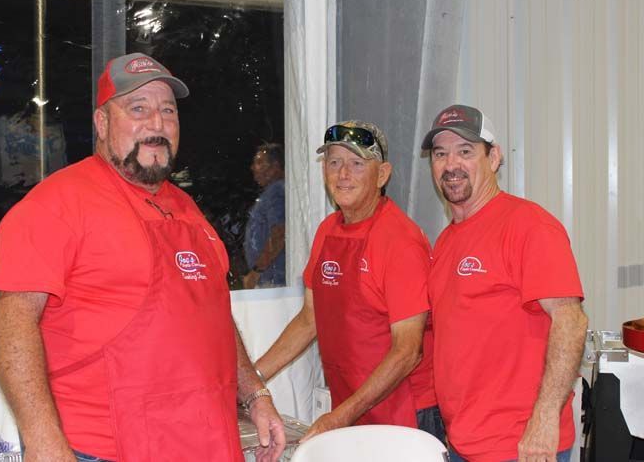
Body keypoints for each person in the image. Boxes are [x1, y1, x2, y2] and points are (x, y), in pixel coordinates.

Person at [0, 53, 285, 462]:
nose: (156, 124)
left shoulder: (187, 209)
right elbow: (9, 321)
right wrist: (42, 440)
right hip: (102, 448)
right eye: (137, 109)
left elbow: (211, 314)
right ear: (102, 123)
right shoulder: (56, 204)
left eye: (167, 111)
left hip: (202, 441)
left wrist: (254, 395)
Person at [255, 121, 443, 442]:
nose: (343, 174)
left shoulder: (400, 242)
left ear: (382, 174)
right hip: (354, 405)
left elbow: (407, 352)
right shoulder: (328, 231)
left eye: (357, 164)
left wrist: (338, 417)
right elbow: (308, 321)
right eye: (334, 162)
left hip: (408, 412)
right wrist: (252, 382)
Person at [421, 104, 589, 462]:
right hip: (465, 441)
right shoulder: (447, 241)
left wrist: (544, 420)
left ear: (493, 157)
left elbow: (571, 322)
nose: (451, 165)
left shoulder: (529, 226)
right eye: (440, 154)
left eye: (465, 152)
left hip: (521, 445)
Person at [241, 143, 286, 289]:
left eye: (260, 162)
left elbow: (279, 233)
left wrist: (256, 272)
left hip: (273, 281)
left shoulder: (277, 191)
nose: (253, 168)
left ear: (276, 166)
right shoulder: (273, 192)